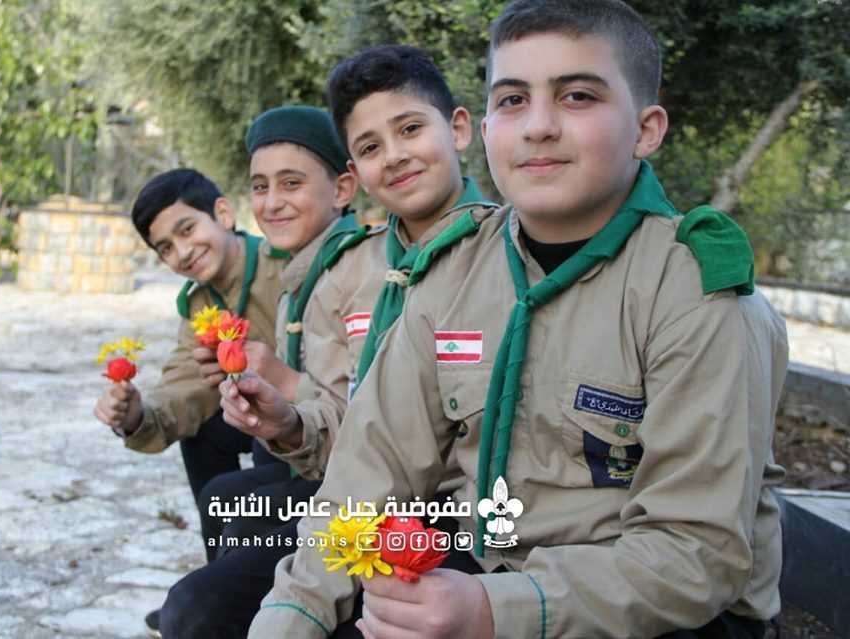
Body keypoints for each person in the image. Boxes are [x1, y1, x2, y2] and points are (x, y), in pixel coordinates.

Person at [248, 1, 789, 637]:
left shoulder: (695, 290)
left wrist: (491, 610)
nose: (538, 127)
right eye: (512, 100)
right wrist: (297, 609)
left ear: (646, 129)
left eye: (577, 96)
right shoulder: (453, 271)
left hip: (661, 611)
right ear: (484, 128)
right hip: (487, 565)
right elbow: (371, 470)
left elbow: (696, 556)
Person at [159, 49, 500, 639]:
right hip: (364, 497)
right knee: (204, 587)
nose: (394, 156)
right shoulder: (356, 267)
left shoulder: (505, 258)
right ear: (357, 169)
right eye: (370, 146)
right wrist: (288, 422)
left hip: (457, 514)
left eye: (411, 129)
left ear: (461, 129)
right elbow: (351, 424)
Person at [91, 168, 287, 636]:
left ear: (223, 213)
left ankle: (232, 593)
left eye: (187, 230)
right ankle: (216, 580)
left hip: (307, 426)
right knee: (201, 432)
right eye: (165, 248)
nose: (181, 252)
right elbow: (185, 381)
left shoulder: (285, 265)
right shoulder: (201, 303)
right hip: (258, 422)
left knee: (242, 484)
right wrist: (136, 415)